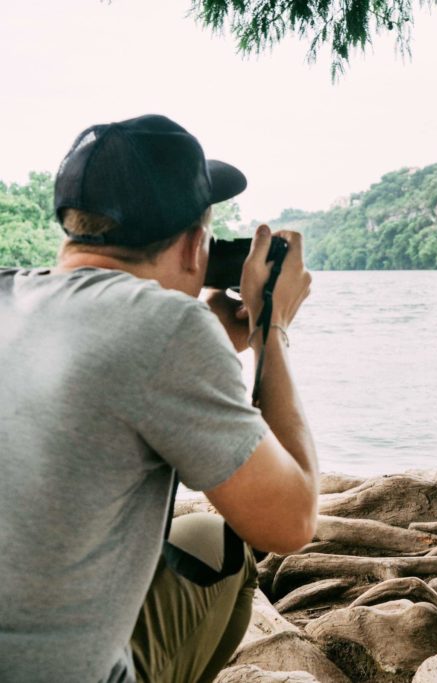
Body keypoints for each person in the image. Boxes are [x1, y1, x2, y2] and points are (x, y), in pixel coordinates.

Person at [0, 114, 319, 682]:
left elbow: (96, 392)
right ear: (197, 244)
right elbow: (289, 523)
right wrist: (273, 332)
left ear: (69, 229)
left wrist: (216, 346)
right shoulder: (167, 328)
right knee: (221, 546)